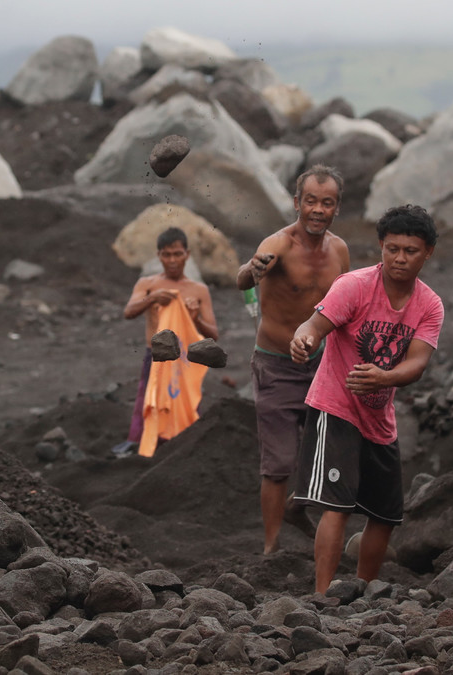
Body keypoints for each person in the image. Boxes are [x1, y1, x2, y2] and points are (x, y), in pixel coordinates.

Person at [289, 204, 444, 594]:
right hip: (335, 406)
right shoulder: (354, 286)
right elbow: (315, 325)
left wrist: (384, 378)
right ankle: (322, 596)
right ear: (381, 246)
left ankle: (363, 592)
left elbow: (418, 363)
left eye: (410, 251)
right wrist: (304, 339)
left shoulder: (429, 305)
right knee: (337, 505)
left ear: (427, 253)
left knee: (386, 514)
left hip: (379, 418)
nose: (400, 258)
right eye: (392, 249)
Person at [236, 164, 351, 555]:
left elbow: (348, 304)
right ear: (297, 203)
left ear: (337, 208)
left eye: (327, 203)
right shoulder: (279, 244)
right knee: (280, 462)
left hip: (323, 366)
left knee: (330, 451)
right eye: (311, 202)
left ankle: (299, 507)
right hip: (276, 366)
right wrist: (251, 270)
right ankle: (270, 548)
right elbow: (242, 278)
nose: (318, 210)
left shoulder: (339, 251)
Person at [116, 227, 219, 456]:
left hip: (185, 361)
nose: (172, 261)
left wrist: (195, 319)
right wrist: (152, 298)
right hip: (156, 359)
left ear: (187, 254)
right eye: (166, 255)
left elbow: (213, 333)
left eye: (177, 254)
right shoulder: (148, 285)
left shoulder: (198, 290)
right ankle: (144, 452)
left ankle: (184, 451)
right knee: (149, 405)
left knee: (187, 408)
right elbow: (128, 312)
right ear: (158, 256)